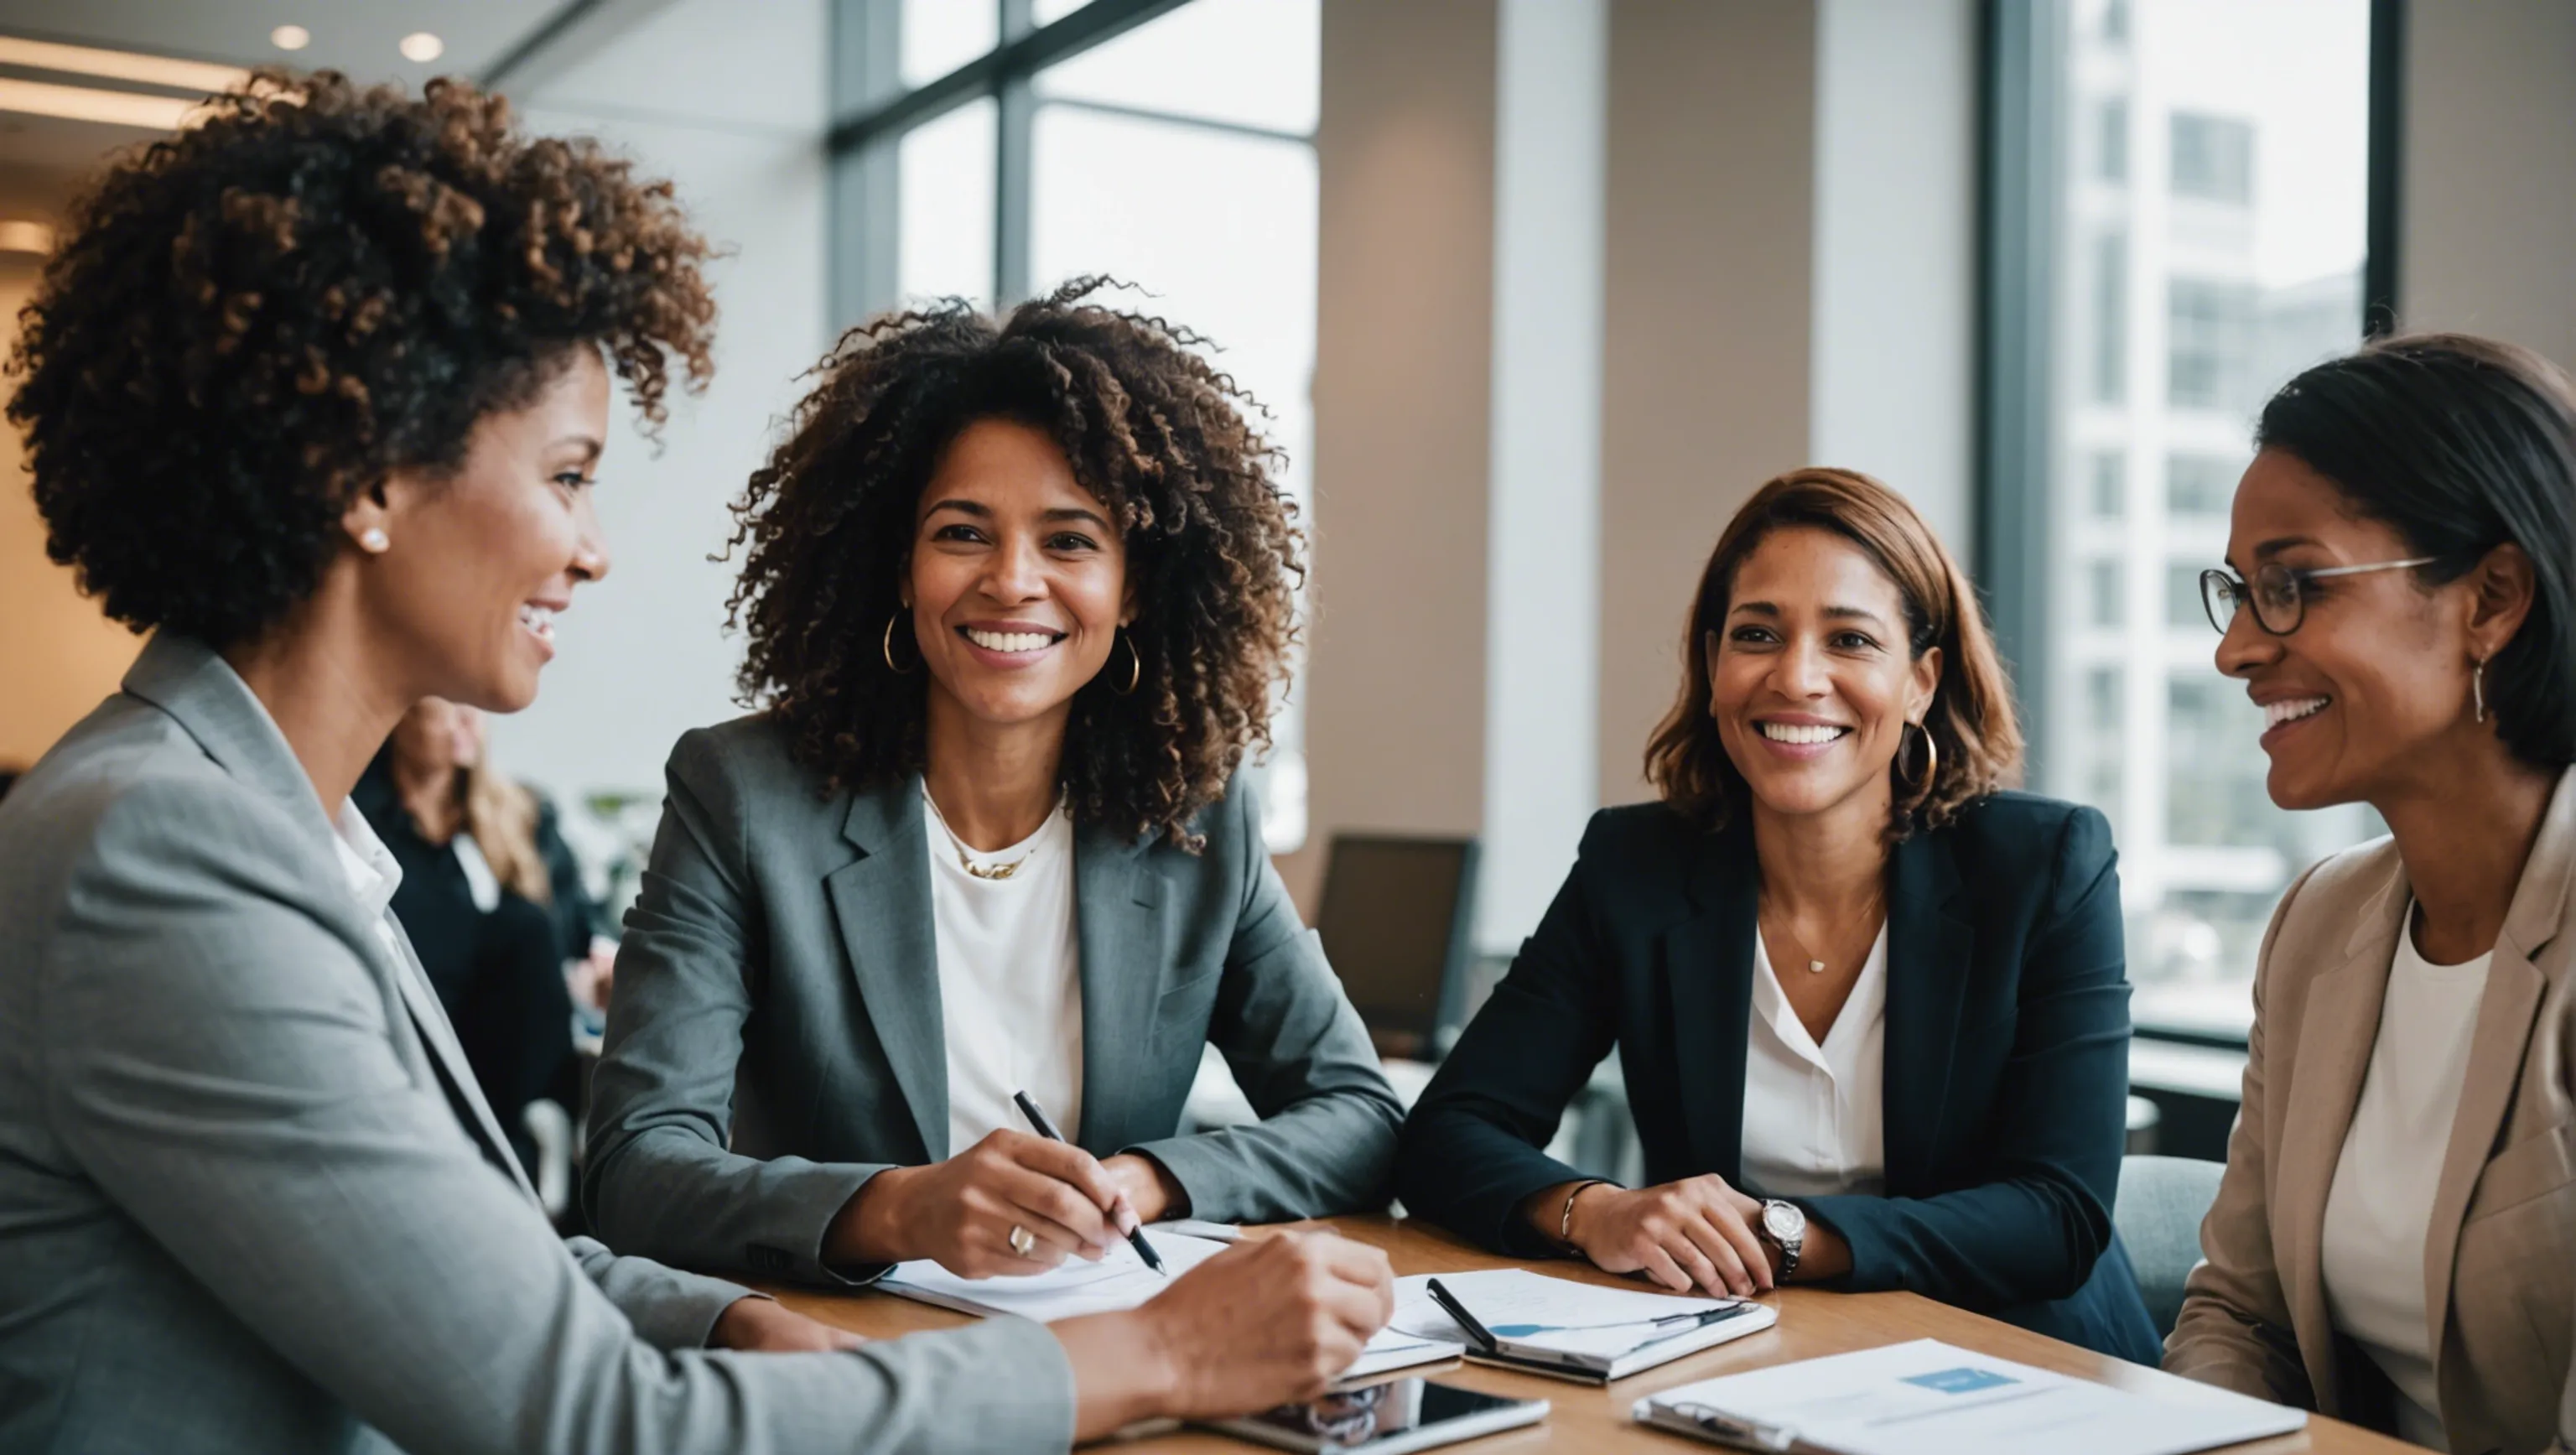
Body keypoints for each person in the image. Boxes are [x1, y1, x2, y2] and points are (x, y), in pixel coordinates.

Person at [0, 72, 1391, 1454]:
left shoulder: (228, 820)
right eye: (566, 474)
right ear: (364, 477)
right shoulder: (165, 852)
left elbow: (480, 1264)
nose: (592, 545)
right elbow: (585, 1415)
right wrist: (1156, 1352)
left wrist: (717, 1321)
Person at [584, 283, 1403, 1288]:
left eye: (1070, 540)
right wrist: (898, 1207)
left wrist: (1147, 1179)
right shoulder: (745, 795)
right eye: (963, 532)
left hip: (1110, 1353)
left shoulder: (1196, 816)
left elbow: (1360, 1117)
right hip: (847, 1361)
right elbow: (636, 1167)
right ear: (899, 565)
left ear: (1133, 586)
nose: (1013, 580)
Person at [1396, 467, 2160, 1362]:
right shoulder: (1635, 866)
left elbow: (2055, 1214)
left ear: (1921, 682)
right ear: (1714, 666)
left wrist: (1784, 1237)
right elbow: (1446, 1135)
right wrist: (1598, 1211)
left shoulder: (2046, 865)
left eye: (1849, 640)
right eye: (1757, 634)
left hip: (2019, 1364)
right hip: (1754, 1358)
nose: (1797, 678)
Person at [2165, 334, 2576, 1454]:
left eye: (2292, 585)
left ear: (2491, 597)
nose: (2239, 650)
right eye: (2240, 593)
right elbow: (2237, 1311)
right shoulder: (2321, 923)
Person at [355, 697, 604, 1177]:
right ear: (400, 716)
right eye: (445, 704)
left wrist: (605, 967)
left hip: (516, 1061)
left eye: (474, 706)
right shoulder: (364, 828)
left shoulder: (524, 815)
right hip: (418, 1041)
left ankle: (538, 1134)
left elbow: (582, 933)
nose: (467, 720)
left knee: (529, 930)